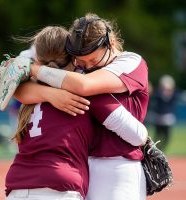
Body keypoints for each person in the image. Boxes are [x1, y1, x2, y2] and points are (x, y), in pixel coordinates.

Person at [13, 13, 149, 200]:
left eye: (93, 60)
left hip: (118, 165)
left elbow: (84, 86)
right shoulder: (75, 70)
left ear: (110, 42)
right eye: (81, 62)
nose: (87, 66)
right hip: (82, 166)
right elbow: (16, 84)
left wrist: (34, 69)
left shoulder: (131, 61)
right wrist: (50, 94)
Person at [152, 74, 178, 151]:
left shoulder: (175, 94)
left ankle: (162, 150)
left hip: (168, 119)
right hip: (159, 118)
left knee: (167, 137)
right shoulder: (158, 94)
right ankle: (156, 151)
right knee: (157, 136)